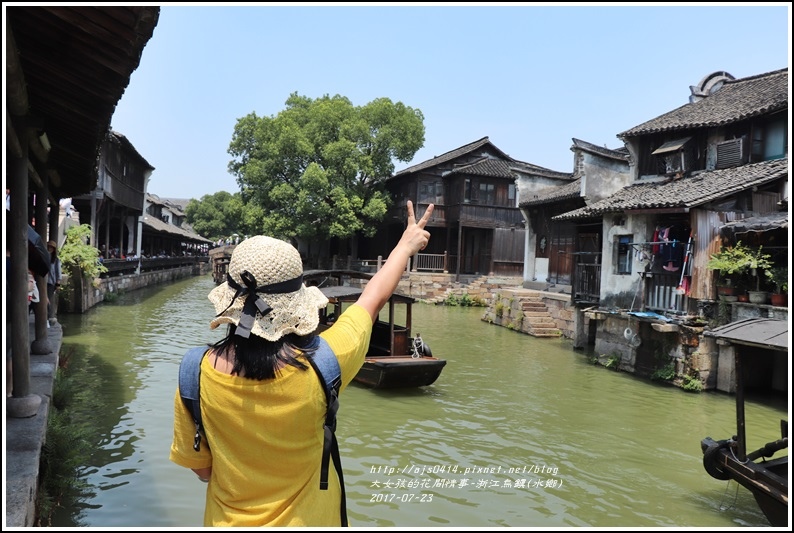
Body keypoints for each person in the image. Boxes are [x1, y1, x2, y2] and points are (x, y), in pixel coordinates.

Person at [169, 200, 433, 527]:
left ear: (231, 301)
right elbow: (373, 298)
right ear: (297, 302)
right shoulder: (326, 361)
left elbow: (203, 470)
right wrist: (405, 246)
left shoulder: (195, 374)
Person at [46, 240, 62, 325]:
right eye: (49, 247)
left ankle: (48, 318)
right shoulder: (44, 256)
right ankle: (46, 318)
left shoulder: (56, 260)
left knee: (47, 300)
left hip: (50, 282)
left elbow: (58, 273)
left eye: (51, 247)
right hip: (42, 281)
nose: (50, 248)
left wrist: (58, 284)